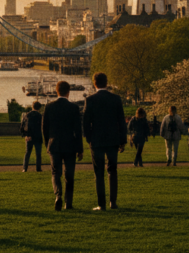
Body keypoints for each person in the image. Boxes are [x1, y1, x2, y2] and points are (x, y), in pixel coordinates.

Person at [83, 72, 127, 210]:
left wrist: (89, 139)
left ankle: (101, 204)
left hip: (97, 140)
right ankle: (113, 203)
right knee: (112, 171)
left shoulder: (90, 100)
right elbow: (121, 121)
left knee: (99, 173)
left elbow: (85, 123)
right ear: (106, 83)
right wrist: (122, 140)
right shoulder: (116, 99)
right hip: (113, 139)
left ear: (94, 83)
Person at [43, 81, 84, 210]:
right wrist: (80, 149)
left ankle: (58, 195)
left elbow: (44, 128)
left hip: (54, 144)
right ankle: (69, 203)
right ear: (68, 92)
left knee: (55, 172)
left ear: (56, 91)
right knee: (69, 174)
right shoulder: (74, 108)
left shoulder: (49, 107)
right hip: (70, 144)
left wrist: (47, 144)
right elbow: (78, 130)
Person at [21, 102, 44, 172]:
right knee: (38, 154)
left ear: (32, 106)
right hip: (38, 136)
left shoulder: (27, 115)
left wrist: (26, 135)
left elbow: (23, 126)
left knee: (27, 153)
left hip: (29, 137)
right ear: (39, 108)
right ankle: (38, 168)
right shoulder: (40, 116)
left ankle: (25, 168)